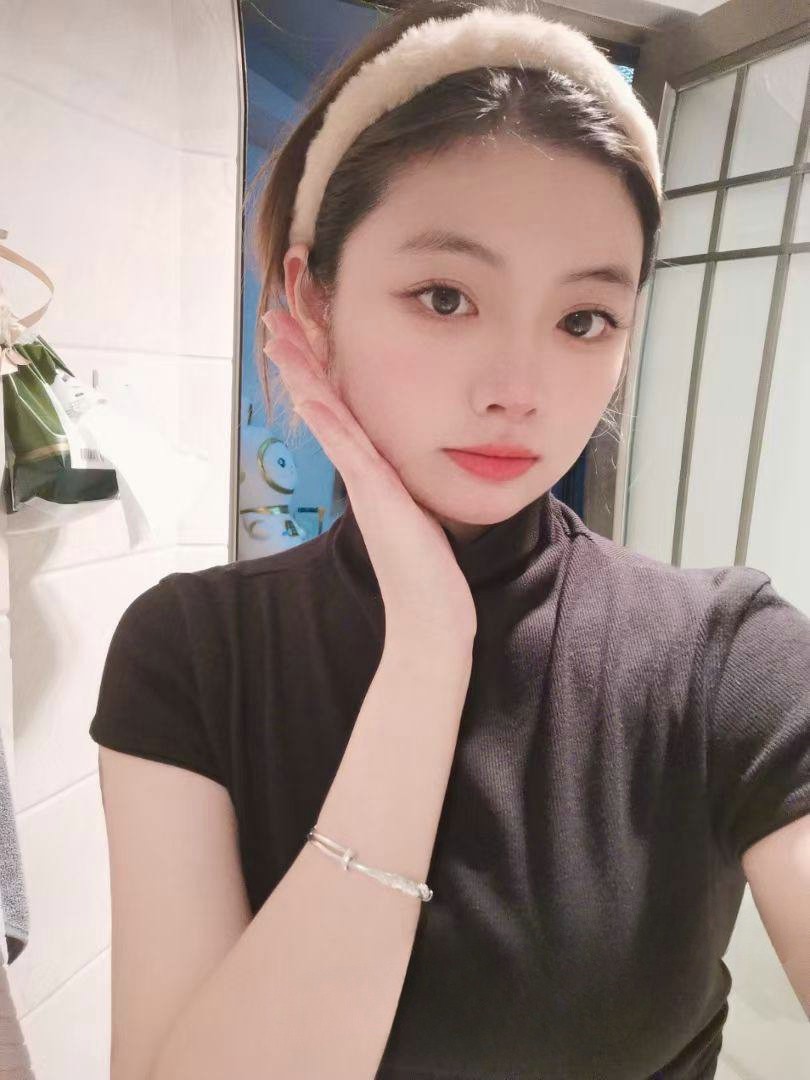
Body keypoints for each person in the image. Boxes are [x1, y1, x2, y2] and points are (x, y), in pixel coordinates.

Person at [89, 2, 810, 1078]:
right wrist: (428, 650)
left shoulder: (727, 656)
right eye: (444, 297)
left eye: (584, 319)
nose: (519, 390)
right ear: (312, 299)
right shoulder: (191, 654)